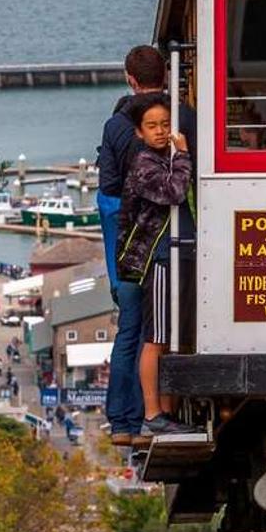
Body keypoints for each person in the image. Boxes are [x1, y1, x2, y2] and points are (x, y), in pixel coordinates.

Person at [95, 45, 196, 446]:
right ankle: (157, 414)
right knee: (162, 333)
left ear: (129, 78)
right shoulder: (182, 119)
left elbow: (107, 189)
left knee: (131, 331)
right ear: (167, 77)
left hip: (132, 243)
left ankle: (123, 421)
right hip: (169, 243)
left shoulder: (117, 125)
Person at [116, 93, 196, 440]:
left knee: (174, 338)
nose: (161, 131)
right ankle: (152, 414)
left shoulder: (162, 159)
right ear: (139, 132)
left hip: (179, 253)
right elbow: (174, 192)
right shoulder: (145, 164)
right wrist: (184, 155)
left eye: (165, 124)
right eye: (152, 126)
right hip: (159, 258)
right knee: (157, 337)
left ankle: (168, 413)